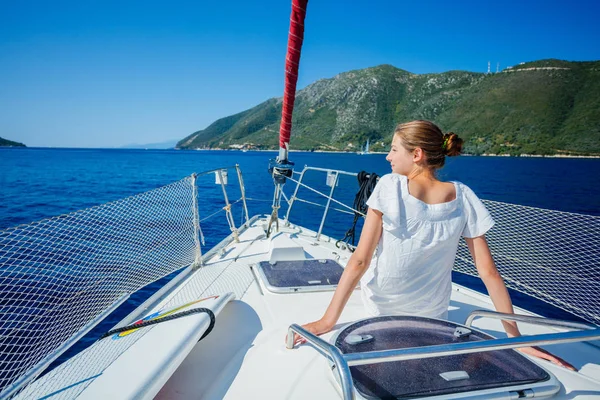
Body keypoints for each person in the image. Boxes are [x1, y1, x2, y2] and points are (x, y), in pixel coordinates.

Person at [292, 120, 575, 370]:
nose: (388, 156)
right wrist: (516, 339)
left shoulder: (389, 186)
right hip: (433, 316)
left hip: (381, 309)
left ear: (416, 155)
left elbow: (360, 261)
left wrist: (326, 322)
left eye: (393, 149)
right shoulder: (463, 195)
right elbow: (489, 273)